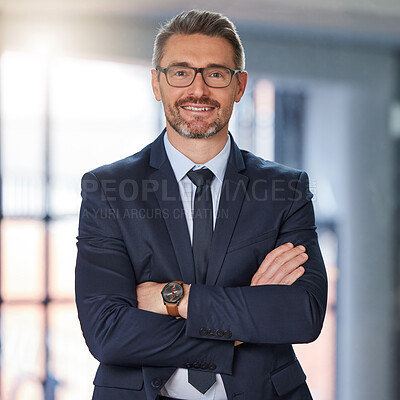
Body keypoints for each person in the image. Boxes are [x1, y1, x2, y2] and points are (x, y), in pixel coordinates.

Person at [75, 9, 327, 400]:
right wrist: (241, 327)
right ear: (157, 84)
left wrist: (174, 298)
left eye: (216, 73)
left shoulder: (285, 189)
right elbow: (108, 333)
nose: (198, 89)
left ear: (239, 85)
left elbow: (302, 313)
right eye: (180, 72)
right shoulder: (108, 189)